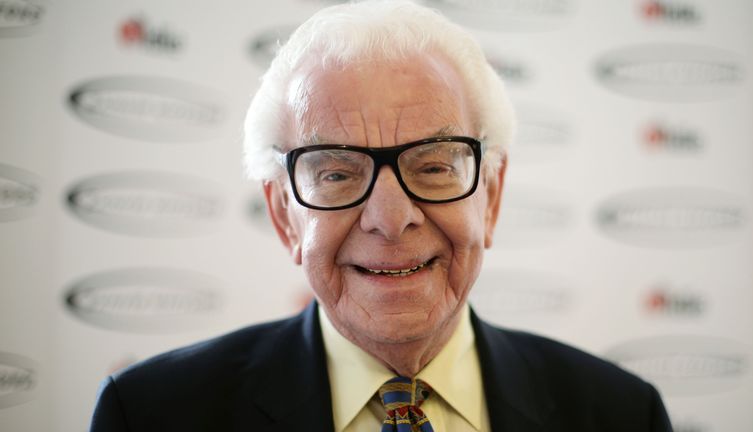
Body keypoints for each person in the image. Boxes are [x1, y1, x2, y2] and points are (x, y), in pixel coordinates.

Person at [89, 1, 673, 431]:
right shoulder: (150, 415)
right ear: (284, 216)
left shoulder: (620, 413)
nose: (390, 219)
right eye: (338, 173)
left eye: (434, 167)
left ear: (490, 197)